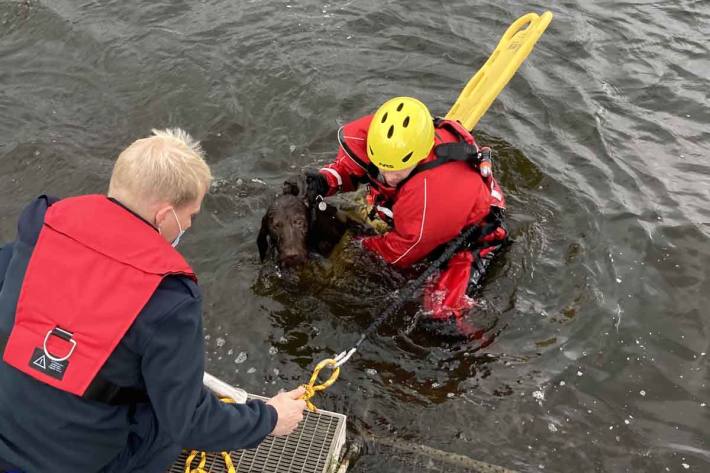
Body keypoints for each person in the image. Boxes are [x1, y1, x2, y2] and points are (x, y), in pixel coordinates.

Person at [0, 129, 307, 473]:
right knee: (166, 426)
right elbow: (190, 422)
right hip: (76, 463)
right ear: (164, 216)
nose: (189, 224)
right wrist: (270, 418)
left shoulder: (42, 227)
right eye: (191, 215)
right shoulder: (169, 297)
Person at [293, 97, 508, 336]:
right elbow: (351, 166)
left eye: (395, 169)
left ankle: (484, 349)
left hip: (471, 234)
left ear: (420, 156)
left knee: (438, 319)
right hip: (413, 211)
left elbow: (401, 252)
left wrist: (358, 247)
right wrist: (326, 180)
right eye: (381, 165)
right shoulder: (385, 141)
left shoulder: (431, 194)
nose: (386, 175)